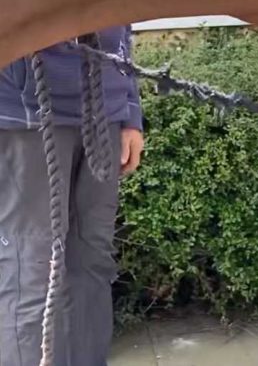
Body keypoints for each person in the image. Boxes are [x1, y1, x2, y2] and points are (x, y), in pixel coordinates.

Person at [0, 25, 144, 366]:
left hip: (103, 112)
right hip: (25, 116)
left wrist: (130, 110)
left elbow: (122, 16)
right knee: (33, 268)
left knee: (92, 261)